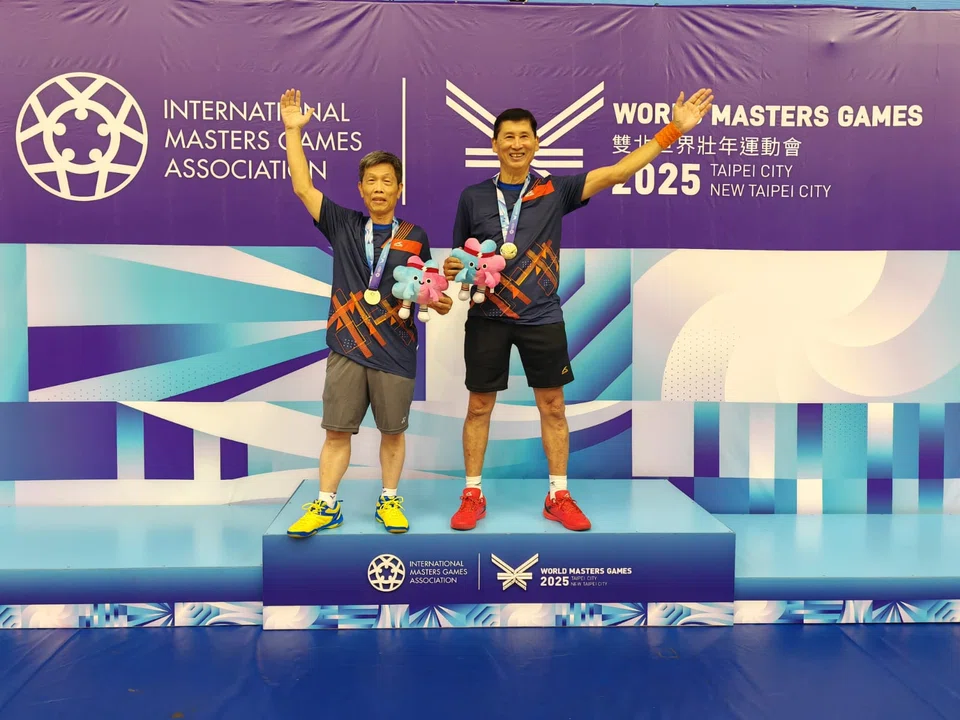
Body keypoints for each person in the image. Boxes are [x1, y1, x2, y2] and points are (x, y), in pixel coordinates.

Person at [443, 88, 714, 532]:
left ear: (535, 143)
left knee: (553, 407)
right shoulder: (472, 197)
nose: (516, 143)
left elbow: (617, 172)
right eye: (507, 136)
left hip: (542, 316)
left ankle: (558, 494)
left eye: (524, 136)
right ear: (494, 145)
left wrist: (672, 132)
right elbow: (461, 258)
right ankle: (472, 493)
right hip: (487, 317)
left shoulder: (555, 189)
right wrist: (456, 267)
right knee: (478, 407)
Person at [279, 88, 452, 538]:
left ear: (399, 188)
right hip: (347, 346)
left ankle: (389, 499)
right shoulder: (343, 223)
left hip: (396, 349)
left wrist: (439, 300)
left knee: (392, 434)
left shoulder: (416, 235)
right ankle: (326, 504)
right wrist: (292, 133)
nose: (379, 187)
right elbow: (302, 186)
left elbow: (426, 289)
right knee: (337, 433)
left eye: (386, 180)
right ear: (360, 189)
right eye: (371, 181)